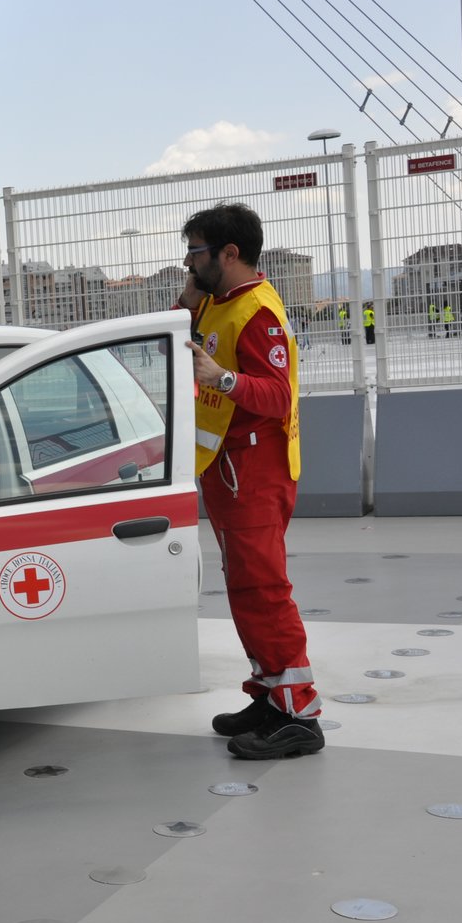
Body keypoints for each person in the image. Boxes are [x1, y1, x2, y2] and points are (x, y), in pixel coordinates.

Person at [176, 202, 323, 760]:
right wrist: (185, 306)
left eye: (195, 251)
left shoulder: (257, 311)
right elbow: (183, 351)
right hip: (227, 469)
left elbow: (278, 396)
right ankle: (268, 693)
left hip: (256, 471)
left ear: (228, 254)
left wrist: (226, 378)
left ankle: (299, 715)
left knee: (264, 588)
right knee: (244, 588)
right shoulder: (215, 302)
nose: (187, 263)